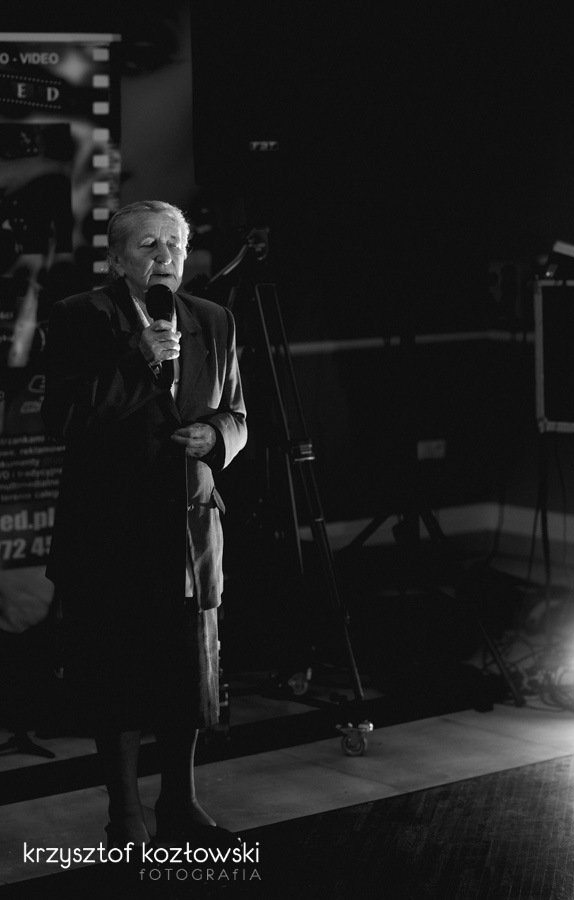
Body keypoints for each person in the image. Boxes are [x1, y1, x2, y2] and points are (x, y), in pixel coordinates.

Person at [41, 200, 247, 849]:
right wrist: (139, 358)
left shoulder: (214, 319)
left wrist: (215, 437)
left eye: (174, 245)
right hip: (111, 532)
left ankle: (180, 803)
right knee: (119, 676)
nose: (165, 257)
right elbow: (63, 419)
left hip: (189, 532)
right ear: (116, 259)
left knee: (187, 680)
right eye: (148, 245)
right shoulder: (80, 315)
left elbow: (239, 414)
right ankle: (125, 815)